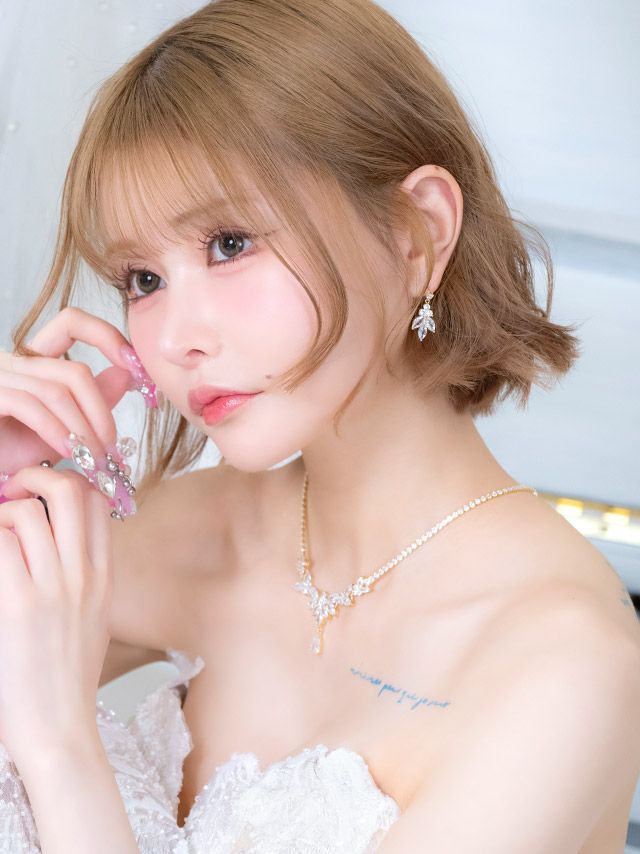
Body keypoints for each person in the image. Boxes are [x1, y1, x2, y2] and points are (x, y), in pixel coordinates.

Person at [0, 0, 639, 850]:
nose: (178, 338)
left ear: (416, 234)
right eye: (143, 279)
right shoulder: (196, 529)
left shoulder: (566, 663)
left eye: (230, 243)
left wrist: (58, 750)